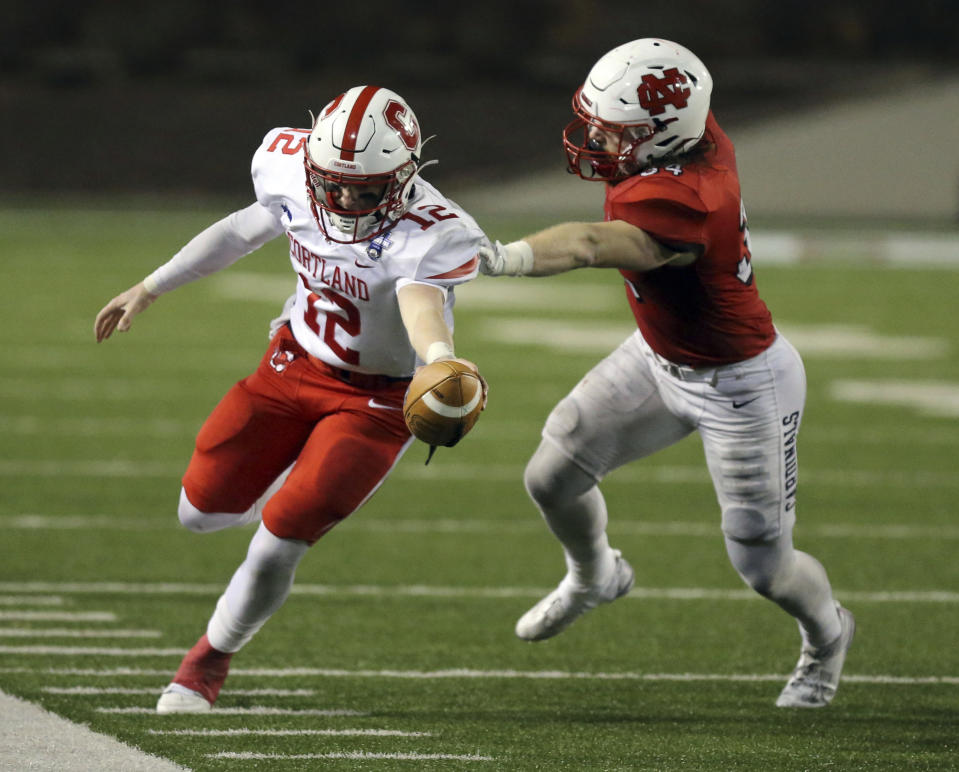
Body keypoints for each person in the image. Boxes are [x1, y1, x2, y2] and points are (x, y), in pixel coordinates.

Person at [479, 38, 854, 708]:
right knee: (551, 473)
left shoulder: (687, 201)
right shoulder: (692, 128)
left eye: (611, 132)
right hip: (660, 356)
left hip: (741, 381)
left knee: (761, 565)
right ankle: (595, 575)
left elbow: (591, 244)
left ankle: (826, 637)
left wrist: (502, 259)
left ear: (662, 138)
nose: (593, 139)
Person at [94, 85, 488, 714]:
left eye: (367, 190)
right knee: (199, 513)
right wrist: (151, 286)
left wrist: (439, 359)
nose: (348, 200)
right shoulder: (286, 160)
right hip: (291, 364)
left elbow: (422, 305)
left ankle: (204, 667)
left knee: (279, 537)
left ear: (408, 173)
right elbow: (244, 228)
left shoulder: (437, 232)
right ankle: (291, 497)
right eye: (334, 185)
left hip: (378, 402)